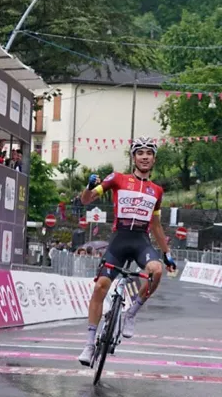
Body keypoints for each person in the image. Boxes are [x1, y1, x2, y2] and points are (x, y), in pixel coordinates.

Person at [76, 137, 176, 366]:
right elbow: (86, 200)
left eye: (148, 153)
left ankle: (131, 313)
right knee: (101, 285)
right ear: (133, 157)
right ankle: (89, 345)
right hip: (119, 239)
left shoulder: (157, 190)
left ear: (154, 159)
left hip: (141, 240)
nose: (144, 157)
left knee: (157, 271)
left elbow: (156, 226)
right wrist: (89, 186)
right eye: (139, 153)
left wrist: (167, 253)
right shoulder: (118, 179)